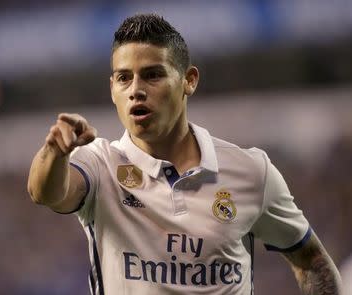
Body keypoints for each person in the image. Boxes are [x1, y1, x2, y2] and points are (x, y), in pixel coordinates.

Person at [27, 14, 342, 294]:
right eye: (124, 78)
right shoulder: (99, 163)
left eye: (152, 75)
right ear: (112, 89)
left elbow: (312, 260)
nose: (136, 89)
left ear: (188, 81)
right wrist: (55, 151)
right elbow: (45, 192)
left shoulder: (251, 171)